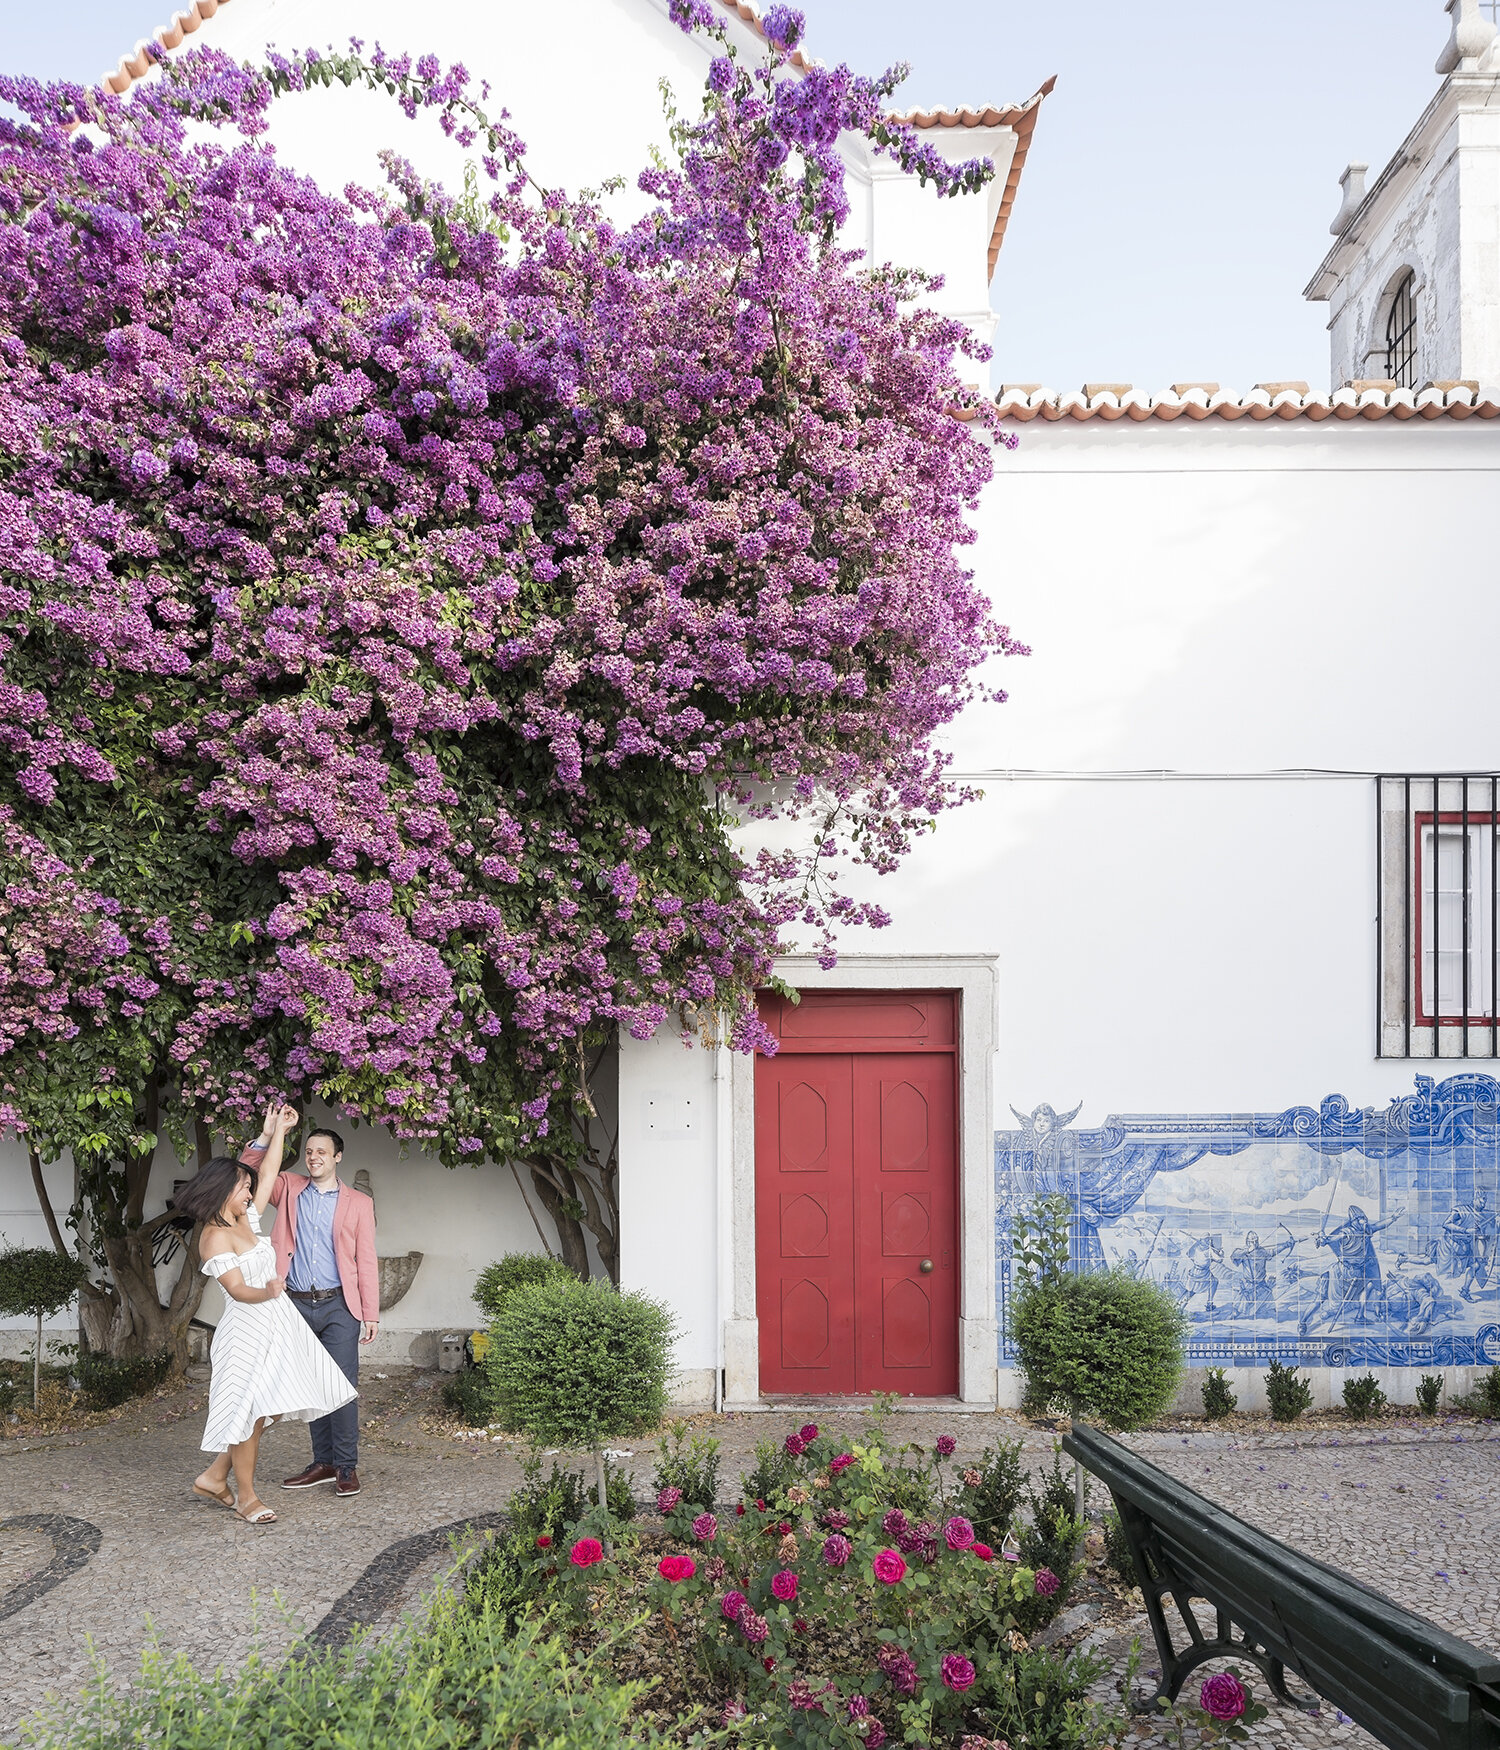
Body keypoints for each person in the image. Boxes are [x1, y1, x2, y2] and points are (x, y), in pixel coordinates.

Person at [179, 1103, 359, 1525]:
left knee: (270, 1408)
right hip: (246, 1332)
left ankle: (214, 1476)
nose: (250, 1191)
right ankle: (246, 1497)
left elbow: (270, 1168)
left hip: (273, 1328)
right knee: (249, 1413)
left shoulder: (248, 1220)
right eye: (243, 1186)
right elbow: (239, 1292)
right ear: (224, 1191)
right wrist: (271, 1289)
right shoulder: (213, 1238)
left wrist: (278, 1129)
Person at [238, 1120, 378, 1496]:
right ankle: (324, 1462)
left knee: (342, 1388)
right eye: (309, 1152)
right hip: (295, 1306)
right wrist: (266, 1137)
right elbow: (251, 1174)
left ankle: (346, 1466)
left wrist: (371, 1313)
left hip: (339, 1307)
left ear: (337, 1157)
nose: (313, 1158)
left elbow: (366, 1260)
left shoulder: (359, 1204)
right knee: (311, 1386)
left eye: (321, 1152)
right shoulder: (289, 1187)